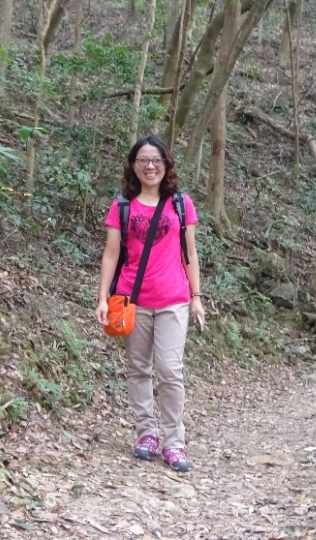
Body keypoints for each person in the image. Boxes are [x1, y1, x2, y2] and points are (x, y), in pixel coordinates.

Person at [96, 136, 205, 473]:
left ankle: (174, 442)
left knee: (170, 370)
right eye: (142, 160)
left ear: (166, 163)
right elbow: (111, 254)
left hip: (174, 299)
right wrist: (102, 298)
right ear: (133, 165)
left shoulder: (181, 204)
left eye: (156, 159)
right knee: (138, 368)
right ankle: (146, 434)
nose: (150, 166)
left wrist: (197, 298)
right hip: (133, 299)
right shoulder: (122, 206)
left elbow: (190, 253)